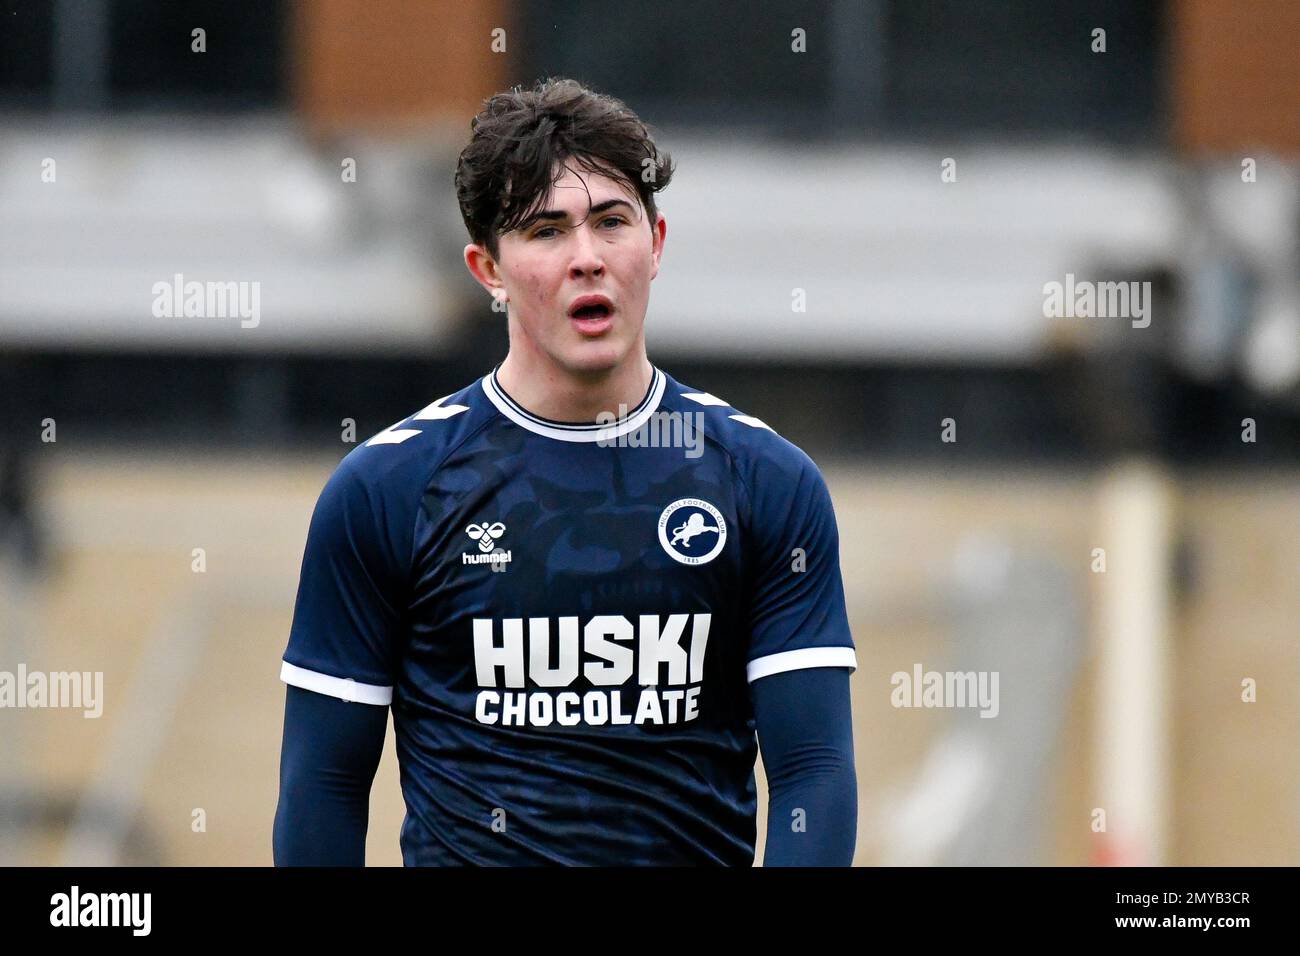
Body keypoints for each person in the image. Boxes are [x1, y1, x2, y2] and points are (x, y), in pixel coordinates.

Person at [273, 76, 858, 866]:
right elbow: (324, 785)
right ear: (487, 269)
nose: (587, 258)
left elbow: (813, 773)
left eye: (611, 222)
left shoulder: (765, 481)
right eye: (547, 232)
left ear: (654, 244)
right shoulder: (388, 490)